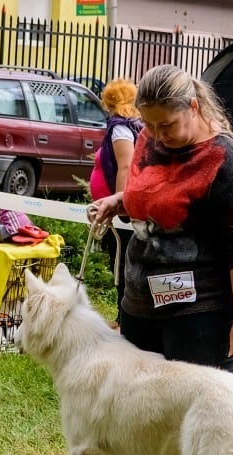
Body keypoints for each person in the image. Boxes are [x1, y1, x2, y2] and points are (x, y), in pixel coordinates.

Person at [88, 64, 233, 455]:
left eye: (167, 126)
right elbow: (148, 192)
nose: (157, 136)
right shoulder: (149, 138)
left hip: (201, 312)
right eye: (150, 126)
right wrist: (117, 201)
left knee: (202, 420)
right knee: (153, 410)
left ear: (196, 108)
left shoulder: (228, 163)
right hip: (143, 300)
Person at [88, 78, 143, 325]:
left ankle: (124, 320)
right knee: (120, 262)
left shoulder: (120, 127)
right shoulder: (127, 125)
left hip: (119, 214)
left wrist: (120, 206)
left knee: (120, 263)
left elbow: (125, 166)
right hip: (113, 210)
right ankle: (123, 317)